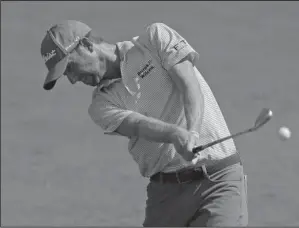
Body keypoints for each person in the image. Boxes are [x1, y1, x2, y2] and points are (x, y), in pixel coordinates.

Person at [40, 20, 248, 227]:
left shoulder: (155, 38)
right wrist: (176, 135)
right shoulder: (101, 105)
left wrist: (191, 132)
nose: (73, 80)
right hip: (165, 195)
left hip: (218, 179)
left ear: (86, 45)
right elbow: (139, 125)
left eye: (70, 68)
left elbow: (189, 85)